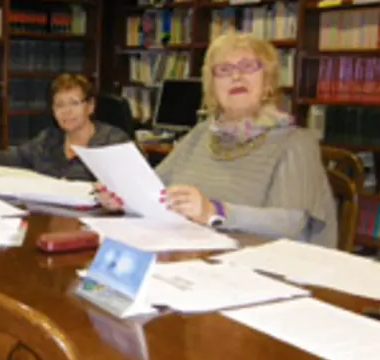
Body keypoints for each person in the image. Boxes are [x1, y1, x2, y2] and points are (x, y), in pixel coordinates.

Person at [97, 32, 337, 248]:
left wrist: (215, 211)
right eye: (223, 70)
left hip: (262, 268)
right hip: (195, 253)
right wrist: (122, 196)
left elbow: (291, 223)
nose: (236, 76)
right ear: (212, 88)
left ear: (268, 82)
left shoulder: (297, 142)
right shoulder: (202, 133)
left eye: (248, 66)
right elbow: (154, 189)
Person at [0, 74, 131, 181]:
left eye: (74, 103)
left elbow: (136, 187)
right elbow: (16, 157)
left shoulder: (114, 142)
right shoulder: (48, 140)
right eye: (59, 105)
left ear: (90, 106)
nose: (66, 112)